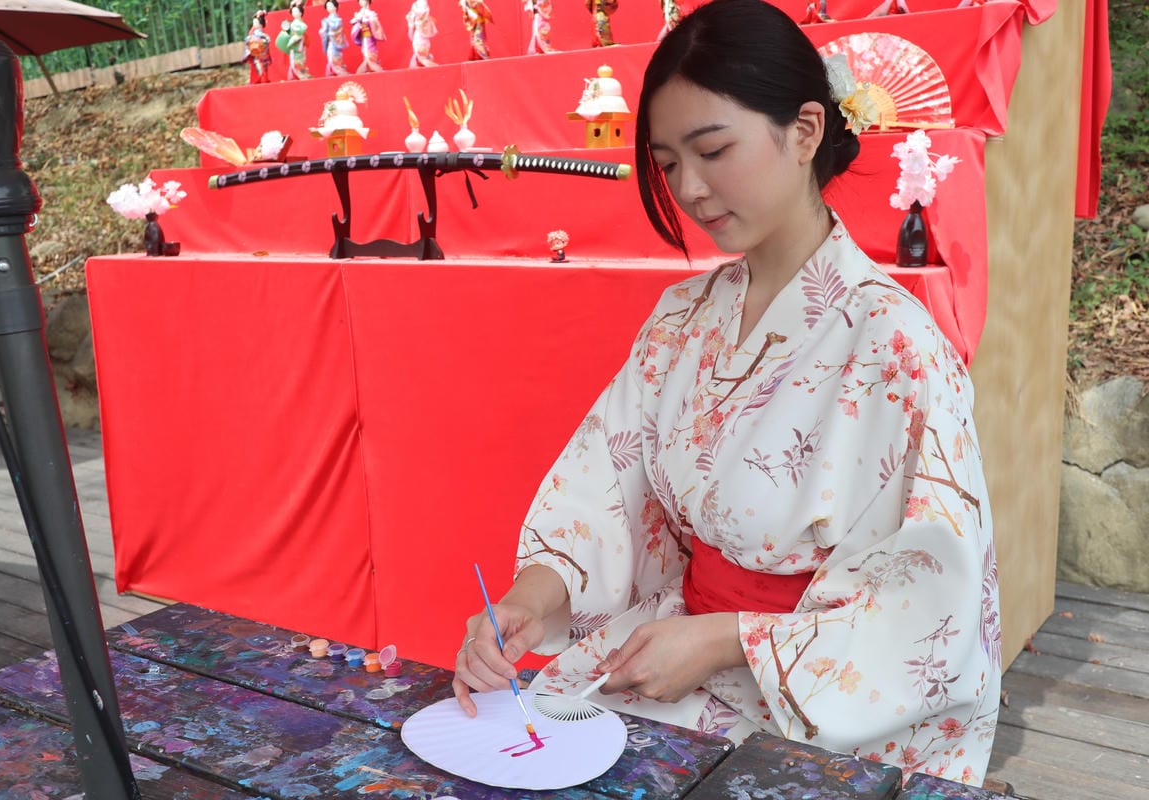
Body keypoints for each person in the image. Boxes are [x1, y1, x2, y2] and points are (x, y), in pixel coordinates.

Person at [452, 0, 1000, 787]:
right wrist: (533, 600)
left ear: (806, 130)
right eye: (669, 163)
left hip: (817, 710)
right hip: (673, 651)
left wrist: (729, 641)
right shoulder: (682, 319)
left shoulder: (895, 344)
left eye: (714, 150)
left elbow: (930, 609)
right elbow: (609, 488)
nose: (693, 189)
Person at [278, 1, 312, 80]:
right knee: (293, 60)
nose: (294, 13)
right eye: (293, 11)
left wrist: (293, 39)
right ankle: (293, 76)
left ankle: (303, 75)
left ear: (301, 12)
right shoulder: (293, 23)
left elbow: (301, 32)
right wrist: (286, 29)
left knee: (298, 60)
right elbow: (289, 33)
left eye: (296, 11)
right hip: (294, 45)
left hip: (298, 45)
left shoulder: (302, 24)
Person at [350, 0, 387, 73]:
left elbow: (375, 24)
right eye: (359, 1)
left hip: (369, 36)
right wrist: (359, 22)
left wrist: (366, 21)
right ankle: (368, 70)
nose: (360, 2)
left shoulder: (371, 13)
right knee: (366, 53)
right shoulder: (360, 13)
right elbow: (353, 22)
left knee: (369, 54)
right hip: (365, 36)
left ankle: (378, 71)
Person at [321, 0, 351, 76]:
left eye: (330, 6)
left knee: (335, 57)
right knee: (330, 57)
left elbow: (337, 29)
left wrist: (329, 30)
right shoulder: (327, 19)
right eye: (327, 6)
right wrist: (323, 31)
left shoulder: (337, 19)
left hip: (335, 42)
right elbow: (324, 31)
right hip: (330, 42)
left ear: (335, 7)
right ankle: (331, 73)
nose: (328, 8)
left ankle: (339, 72)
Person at [241, 10, 272, 84]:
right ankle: (260, 80)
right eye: (254, 22)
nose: (255, 24)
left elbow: (267, 41)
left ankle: (264, 80)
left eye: (256, 22)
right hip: (256, 54)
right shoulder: (253, 33)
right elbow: (247, 40)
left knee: (263, 68)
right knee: (258, 68)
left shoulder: (264, 35)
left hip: (262, 54)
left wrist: (263, 43)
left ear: (261, 24)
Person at [406, 0, 439, 67]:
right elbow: (411, 35)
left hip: (421, 42)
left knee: (422, 56)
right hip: (420, 40)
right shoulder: (417, 19)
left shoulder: (425, 19)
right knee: (420, 56)